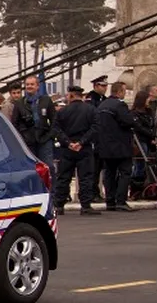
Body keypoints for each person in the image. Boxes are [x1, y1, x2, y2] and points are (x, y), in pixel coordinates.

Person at [51, 86, 100, 215]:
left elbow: (56, 129)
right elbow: (95, 128)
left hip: (67, 149)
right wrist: (81, 142)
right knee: (85, 177)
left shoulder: (62, 111)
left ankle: (59, 205)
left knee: (63, 177)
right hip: (84, 148)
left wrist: (68, 143)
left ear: (71, 95)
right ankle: (85, 205)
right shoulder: (91, 110)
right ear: (81, 96)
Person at [96, 81, 138, 212]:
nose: (125, 93)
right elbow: (128, 122)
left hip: (105, 146)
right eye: (124, 91)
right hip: (120, 146)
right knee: (125, 172)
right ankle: (120, 201)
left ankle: (110, 201)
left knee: (109, 173)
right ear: (119, 91)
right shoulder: (120, 105)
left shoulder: (101, 105)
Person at [11, 75, 58, 180]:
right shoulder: (19, 103)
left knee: (48, 166)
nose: (29, 86)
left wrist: (51, 135)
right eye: (27, 84)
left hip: (44, 139)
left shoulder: (46, 100)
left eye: (32, 84)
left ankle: (53, 193)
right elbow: (15, 123)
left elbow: (55, 120)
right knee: (31, 168)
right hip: (28, 141)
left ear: (38, 86)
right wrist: (21, 138)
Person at [87, 75, 109, 202]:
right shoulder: (91, 99)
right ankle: (93, 193)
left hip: (103, 138)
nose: (105, 88)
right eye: (102, 86)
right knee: (94, 168)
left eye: (106, 86)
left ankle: (98, 192)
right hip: (94, 137)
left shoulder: (104, 99)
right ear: (95, 86)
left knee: (101, 167)